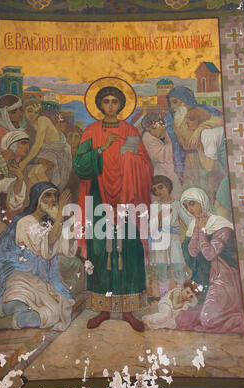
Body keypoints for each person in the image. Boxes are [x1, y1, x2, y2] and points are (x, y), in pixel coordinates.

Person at [73, 80, 153, 332]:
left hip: (127, 198)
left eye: (114, 101)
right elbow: (80, 166)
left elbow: (143, 164)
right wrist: (100, 151)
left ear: (121, 104)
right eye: (105, 101)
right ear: (99, 105)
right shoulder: (91, 132)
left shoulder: (129, 131)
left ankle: (128, 310)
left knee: (128, 250)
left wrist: (128, 160)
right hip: (98, 197)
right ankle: (104, 309)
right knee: (100, 250)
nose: (110, 106)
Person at [0, 182, 77, 333]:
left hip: (40, 281)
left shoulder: (50, 224)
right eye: (48, 195)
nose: (53, 199)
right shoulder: (25, 222)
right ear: (37, 199)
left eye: (55, 195)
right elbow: (46, 245)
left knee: (51, 314)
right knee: (19, 306)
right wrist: (60, 216)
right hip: (19, 277)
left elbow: (65, 249)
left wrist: (69, 219)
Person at [175, 187, 244, 334]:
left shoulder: (221, 225)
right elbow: (193, 252)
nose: (189, 209)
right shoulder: (194, 224)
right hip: (203, 279)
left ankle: (236, 316)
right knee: (181, 320)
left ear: (202, 202)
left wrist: (201, 231)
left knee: (208, 319)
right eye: (186, 206)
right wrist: (196, 230)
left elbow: (209, 255)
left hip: (222, 278)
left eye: (192, 203)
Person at [165, 86, 223, 186]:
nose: (172, 106)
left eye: (175, 102)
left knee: (208, 185)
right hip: (186, 159)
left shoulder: (202, 110)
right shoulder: (171, 119)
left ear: (185, 99)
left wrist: (199, 130)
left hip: (205, 156)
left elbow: (221, 120)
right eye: (170, 103)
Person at [148, 175, 192, 298]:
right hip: (159, 238)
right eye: (155, 189)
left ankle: (180, 292)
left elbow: (188, 220)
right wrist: (160, 216)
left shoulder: (176, 204)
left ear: (167, 187)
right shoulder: (155, 205)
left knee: (177, 263)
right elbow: (150, 227)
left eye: (161, 187)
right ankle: (164, 295)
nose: (159, 191)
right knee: (161, 267)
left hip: (173, 237)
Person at [0, 130, 30, 239]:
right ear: (12, 145)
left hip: (6, 219)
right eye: (23, 143)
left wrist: (20, 179)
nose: (27, 147)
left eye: (28, 143)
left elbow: (14, 204)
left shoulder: (14, 168)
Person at [184, 106, 225, 204]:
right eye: (186, 119)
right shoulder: (206, 131)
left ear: (201, 120)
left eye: (192, 119)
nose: (187, 122)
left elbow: (209, 167)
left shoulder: (207, 134)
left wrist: (199, 150)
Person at [141, 113, 181, 199]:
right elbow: (160, 155)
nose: (152, 132)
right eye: (149, 130)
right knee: (161, 196)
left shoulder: (170, 130)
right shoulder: (147, 137)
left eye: (154, 128)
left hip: (176, 169)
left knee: (176, 196)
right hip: (161, 171)